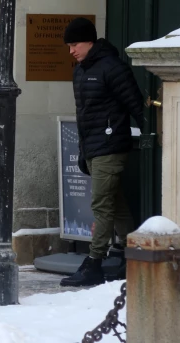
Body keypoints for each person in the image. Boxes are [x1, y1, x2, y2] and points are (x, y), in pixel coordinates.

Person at [61, 17, 144, 287]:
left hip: (111, 147)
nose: (71, 50)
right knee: (116, 205)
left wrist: (153, 135)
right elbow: (83, 116)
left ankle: (94, 263)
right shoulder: (81, 71)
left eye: (74, 44)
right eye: (69, 45)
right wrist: (82, 151)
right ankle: (135, 257)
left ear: (89, 41)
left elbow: (136, 105)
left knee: (101, 205)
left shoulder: (112, 68)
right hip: (94, 148)